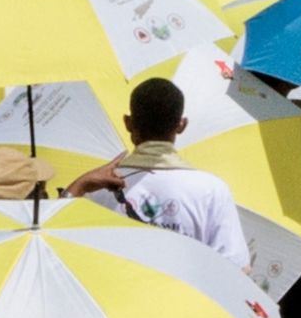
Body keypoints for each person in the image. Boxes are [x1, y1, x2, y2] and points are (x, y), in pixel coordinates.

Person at [63, 77, 249, 276]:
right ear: (181, 125)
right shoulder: (212, 190)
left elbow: (62, 250)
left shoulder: (95, 188)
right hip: (187, 303)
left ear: (128, 123)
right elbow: (236, 268)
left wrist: (79, 185)